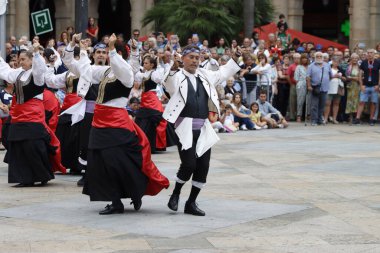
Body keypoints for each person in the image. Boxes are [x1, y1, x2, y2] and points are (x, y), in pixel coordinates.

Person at [68, 34, 169, 215]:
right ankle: (117, 200)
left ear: (119, 53)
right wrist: (79, 49)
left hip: (116, 123)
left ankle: (133, 193)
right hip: (99, 122)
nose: (106, 54)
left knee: (119, 162)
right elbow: (81, 70)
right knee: (100, 162)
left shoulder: (127, 74)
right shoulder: (106, 71)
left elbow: (119, 65)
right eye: (107, 52)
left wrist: (114, 49)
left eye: (109, 51)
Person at [164, 45, 241, 216]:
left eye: (197, 57)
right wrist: (172, 69)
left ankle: (191, 202)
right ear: (183, 58)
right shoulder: (177, 76)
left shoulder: (205, 75)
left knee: (203, 167)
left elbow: (222, 72)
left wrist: (234, 58)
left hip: (204, 127)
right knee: (189, 164)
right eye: (190, 57)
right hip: (184, 128)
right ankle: (175, 194)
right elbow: (168, 85)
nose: (194, 60)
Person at [0, 45, 66, 187]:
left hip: (33, 115)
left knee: (33, 145)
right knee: (18, 145)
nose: (20, 61)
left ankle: (42, 175)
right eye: (19, 59)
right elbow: (4, 70)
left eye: (23, 59)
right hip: (18, 115)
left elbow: (40, 68)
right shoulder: (18, 73)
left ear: (31, 61)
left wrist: (36, 54)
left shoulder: (36, 75)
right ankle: (24, 178)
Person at [62, 34, 108, 186]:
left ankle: (103, 173)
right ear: (93, 55)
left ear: (107, 55)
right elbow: (68, 61)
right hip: (88, 112)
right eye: (98, 52)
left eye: (104, 52)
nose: (101, 55)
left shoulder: (112, 70)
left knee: (104, 143)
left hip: (106, 113)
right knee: (86, 143)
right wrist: (72, 44)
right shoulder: (85, 68)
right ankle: (87, 173)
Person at [130, 48, 172, 153]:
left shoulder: (153, 74)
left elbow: (159, 79)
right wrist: (135, 54)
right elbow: (135, 71)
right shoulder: (143, 74)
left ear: (151, 65)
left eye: (146, 63)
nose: (144, 64)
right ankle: (145, 144)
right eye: (143, 63)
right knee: (142, 121)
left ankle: (154, 145)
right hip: (145, 101)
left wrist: (159, 65)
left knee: (153, 120)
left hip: (152, 101)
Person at [353, 49, 380, 125]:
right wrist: (361, 85)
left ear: (374, 54)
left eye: (371, 53)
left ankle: (371, 119)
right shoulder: (364, 62)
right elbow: (360, 74)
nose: (369, 54)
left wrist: (378, 85)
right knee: (361, 102)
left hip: (374, 86)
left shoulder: (378, 62)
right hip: (365, 85)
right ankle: (357, 118)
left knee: (373, 103)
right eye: (368, 53)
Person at [307, 52, 332, 126]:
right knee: (314, 105)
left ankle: (319, 120)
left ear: (323, 57)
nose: (319, 57)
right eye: (317, 56)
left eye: (320, 56)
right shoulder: (311, 66)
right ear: (314, 57)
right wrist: (309, 86)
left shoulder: (327, 65)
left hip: (324, 88)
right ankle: (314, 120)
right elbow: (308, 77)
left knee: (322, 105)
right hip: (315, 87)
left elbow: (330, 75)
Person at [345, 53, 361, 122]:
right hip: (350, 86)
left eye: (356, 58)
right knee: (350, 101)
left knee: (358, 101)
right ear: (351, 59)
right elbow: (347, 77)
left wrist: (352, 78)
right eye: (353, 58)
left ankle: (357, 117)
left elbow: (361, 78)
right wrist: (355, 78)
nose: (354, 59)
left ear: (358, 59)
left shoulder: (360, 67)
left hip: (358, 86)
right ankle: (350, 117)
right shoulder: (349, 67)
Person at [294, 54, 310, 122]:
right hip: (301, 83)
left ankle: (308, 115)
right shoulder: (298, 67)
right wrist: (300, 83)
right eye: (303, 58)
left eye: (305, 58)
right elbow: (296, 78)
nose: (304, 60)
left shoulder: (310, 66)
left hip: (310, 83)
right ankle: (299, 115)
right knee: (300, 100)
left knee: (309, 100)